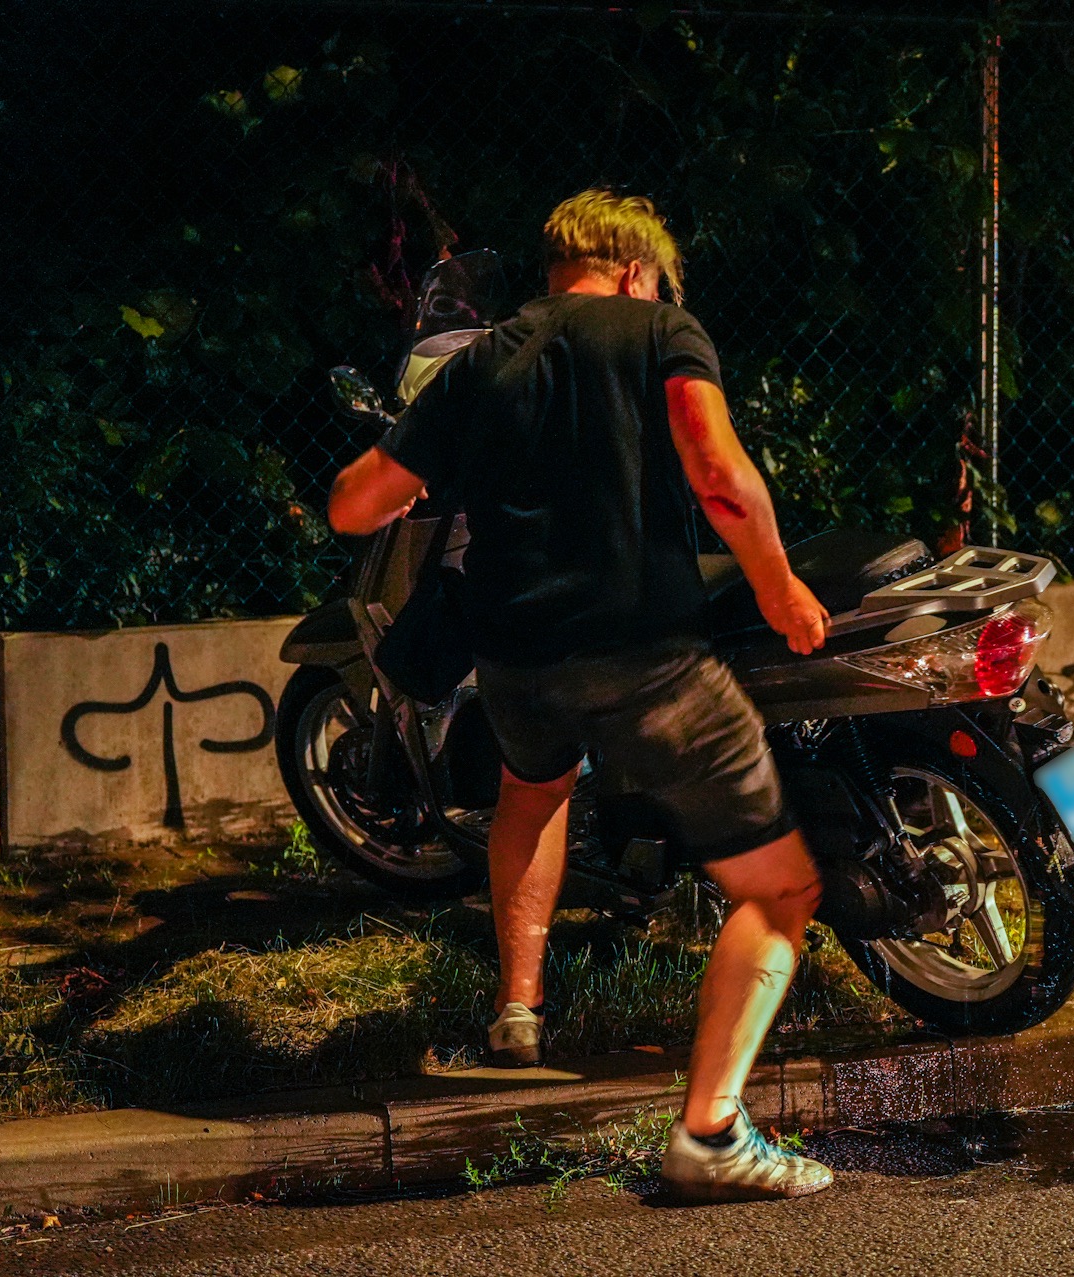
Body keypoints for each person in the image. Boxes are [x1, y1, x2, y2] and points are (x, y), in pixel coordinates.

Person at [327, 189, 834, 1203]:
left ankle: (519, 1008)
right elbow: (717, 471)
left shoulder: (482, 359)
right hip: (645, 657)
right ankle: (710, 1131)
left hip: (516, 661)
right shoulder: (658, 331)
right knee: (780, 890)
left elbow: (353, 505)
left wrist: (424, 474)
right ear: (637, 269)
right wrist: (780, 586)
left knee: (534, 791)